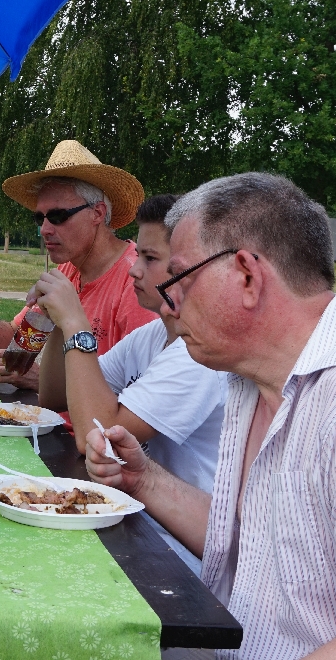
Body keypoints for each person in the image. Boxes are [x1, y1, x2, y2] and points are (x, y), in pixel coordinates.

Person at [84, 172, 336, 659]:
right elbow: (260, 548)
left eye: (178, 280)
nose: (170, 306)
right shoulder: (253, 382)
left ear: (247, 276)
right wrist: (144, 479)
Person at [35, 194, 225, 572]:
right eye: (138, 255)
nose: (134, 270)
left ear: (190, 268)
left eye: (149, 259)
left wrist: (75, 323)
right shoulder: (153, 337)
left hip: (178, 555)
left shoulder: (200, 356)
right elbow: (54, 395)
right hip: (139, 522)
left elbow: (96, 435)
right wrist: (55, 321)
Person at [0, 140, 157, 390]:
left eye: (58, 216)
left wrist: (43, 381)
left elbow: (146, 392)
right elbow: (21, 338)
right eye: (40, 218)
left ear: (98, 213)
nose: (45, 229)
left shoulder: (136, 281)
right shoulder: (67, 271)